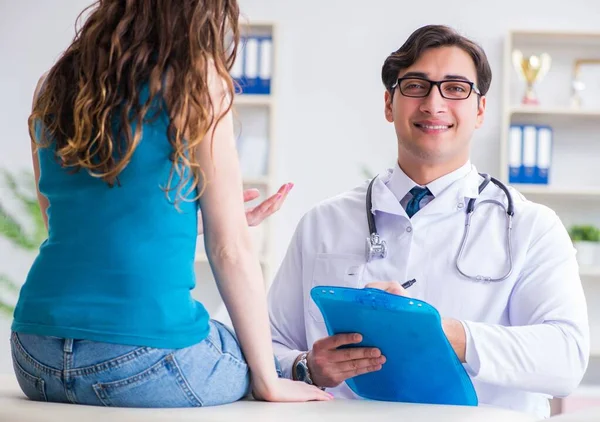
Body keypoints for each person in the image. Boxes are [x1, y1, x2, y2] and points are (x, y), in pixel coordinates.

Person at [10, 0, 332, 408]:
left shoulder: (53, 84)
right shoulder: (200, 82)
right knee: (251, 356)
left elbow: (67, 223)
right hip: (138, 361)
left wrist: (198, 222)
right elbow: (229, 249)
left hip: (34, 355)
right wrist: (269, 382)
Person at [267, 24, 589, 419]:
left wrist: (443, 331)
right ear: (389, 104)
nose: (433, 104)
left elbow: (566, 357)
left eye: (455, 88)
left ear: (480, 110)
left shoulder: (530, 227)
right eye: (416, 86)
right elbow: (268, 344)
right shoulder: (323, 222)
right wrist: (307, 367)